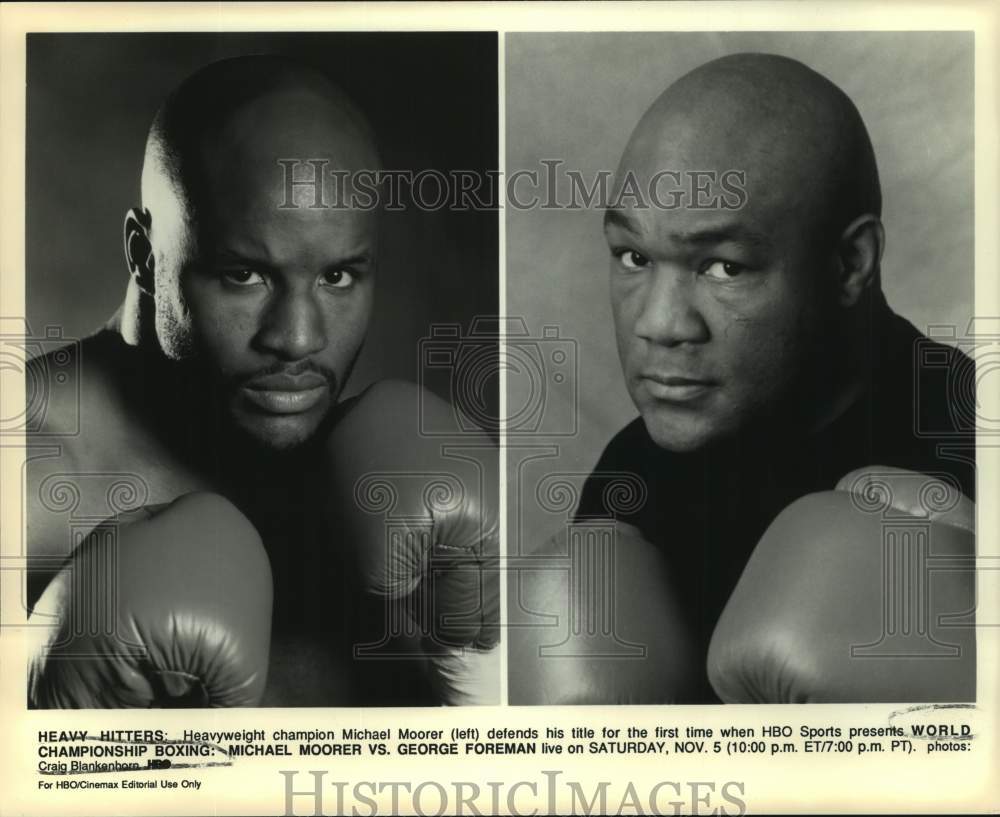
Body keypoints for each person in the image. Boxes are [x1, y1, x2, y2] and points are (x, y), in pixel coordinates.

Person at [25, 55, 499, 708]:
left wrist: (483, 675)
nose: (298, 340)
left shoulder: (383, 477)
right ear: (143, 254)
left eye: (338, 277)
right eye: (244, 274)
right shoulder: (26, 479)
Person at [509, 52, 976, 705]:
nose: (661, 323)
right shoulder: (639, 467)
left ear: (850, 263)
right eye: (634, 256)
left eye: (723, 266)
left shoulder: (970, 440)